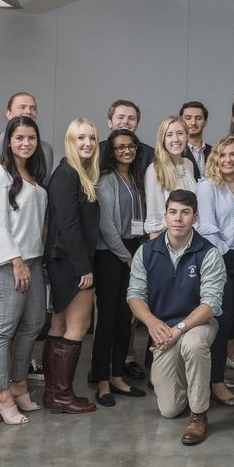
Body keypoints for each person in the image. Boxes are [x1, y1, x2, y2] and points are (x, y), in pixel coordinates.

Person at [128, 190, 225, 444]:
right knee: (169, 410)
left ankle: (198, 413)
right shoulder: (146, 252)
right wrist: (151, 322)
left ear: (195, 217)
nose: (178, 218)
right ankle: (190, 387)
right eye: (173, 212)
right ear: (165, 216)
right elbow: (135, 296)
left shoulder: (209, 252)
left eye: (184, 213)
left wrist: (179, 329)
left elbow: (211, 303)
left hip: (199, 322)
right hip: (163, 328)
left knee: (193, 344)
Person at [0, 116, 48, 425]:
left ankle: (20, 383)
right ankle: (2, 393)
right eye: (20, 137)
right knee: (3, 328)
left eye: (31, 138)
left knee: (34, 322)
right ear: (8, 140)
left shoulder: (32, 173)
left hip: (34, 259)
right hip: (10, 263)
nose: (26, 143)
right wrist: (17, 261)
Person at [41, 118, 101, 415]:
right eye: (81, 138)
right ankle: (63, 396)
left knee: (60, 325)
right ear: (70, 141)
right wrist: (84, 267)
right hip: (70, 261)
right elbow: (69, 226)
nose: (87, 143)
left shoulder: (76, 173)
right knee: (79, 326)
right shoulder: (67, 174)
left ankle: (53, 394)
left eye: (91, 137)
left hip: (64, 259)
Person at [91, 129, 148, 406]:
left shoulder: (136, 176)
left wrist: (137, 254)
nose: (126, 151)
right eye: (120, 147)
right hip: (112, 256)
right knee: (107, 320)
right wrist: (126, 256)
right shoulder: (106, 179)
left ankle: (117, 377)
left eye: (130, 146)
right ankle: (102, 383)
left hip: (133, 250)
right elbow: (106, 225)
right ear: (111, 152)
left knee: (127, 318)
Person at [196, 135, 234, 405]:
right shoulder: (208, 186)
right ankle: (215, 384)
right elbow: (206, 227)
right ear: (215, 158)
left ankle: (216, 374)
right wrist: (223, 259)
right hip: (222, 257)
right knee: (221, 322)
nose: (228, 160)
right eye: (223, 155)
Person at [0, 92, 56, 195]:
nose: (28, 111)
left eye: (33, 108)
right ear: (8, 114)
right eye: (22, 107)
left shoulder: (45, 149)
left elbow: (44, 189)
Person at [144, 116, 197, 237]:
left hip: (192, 239)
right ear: (162, 139)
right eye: (169, 135)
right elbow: (154, 219)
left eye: (180, 133)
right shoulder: (155, 170)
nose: (176, 139)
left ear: (187, 136)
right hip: (168, 242)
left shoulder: (189, 164)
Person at [99, 100, 155, 171]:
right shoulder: (97, 151)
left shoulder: (150, 155)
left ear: (137, 125)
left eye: (131, 118)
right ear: (110, 122)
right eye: (120, 117)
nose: (125, 122)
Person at [180, 101, 212, 177]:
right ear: (181, 122)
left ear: (205, 122)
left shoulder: (215, 152)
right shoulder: (175, 153)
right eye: (188, 118)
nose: (193, 122)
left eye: (198, 118)